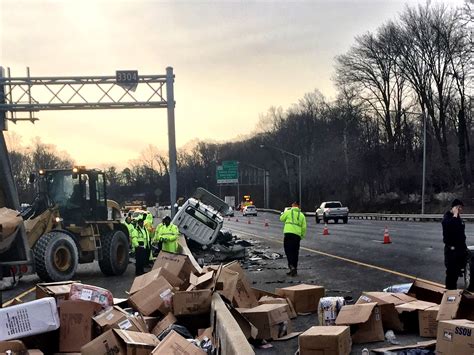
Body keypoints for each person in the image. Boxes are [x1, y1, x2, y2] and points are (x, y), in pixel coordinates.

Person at [442, 198, 468, 289]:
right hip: (451, 251)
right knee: (451, 273)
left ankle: (454, 291)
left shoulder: (458, 218)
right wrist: (455, 214)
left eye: (461, 209)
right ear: (454, 208)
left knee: (457, 273)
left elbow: (461, 234)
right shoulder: (447, 217)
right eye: (459, 208)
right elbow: (449, 227)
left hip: (459, 250)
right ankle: (449, 291)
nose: (460, 210)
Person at [280, 201, 307, 276]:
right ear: (299, 207)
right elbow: (304, 227)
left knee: (288, 251)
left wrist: (283, 213)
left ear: (294, 205)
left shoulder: (288, 212)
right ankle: (294, 268)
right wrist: (301, 236)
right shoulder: (301, 215)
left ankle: (291, 266)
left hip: (288, 234)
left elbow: (281, 219)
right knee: (295, 252)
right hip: (297, 236)